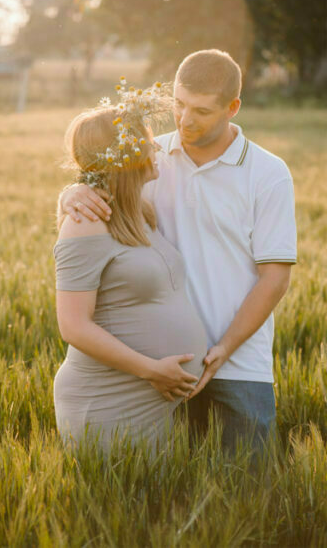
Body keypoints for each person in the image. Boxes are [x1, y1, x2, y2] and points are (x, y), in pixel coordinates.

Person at [59, 50, 296, 455]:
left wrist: (223, 349)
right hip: (160, 376)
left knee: (246, 491)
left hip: (238, 364)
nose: (185, 120)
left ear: (232, 108)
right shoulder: (146, 158)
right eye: (179, 105)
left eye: (202, 111)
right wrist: (73, 192)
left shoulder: (267, 173)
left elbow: (274, 277)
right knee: (171, 499)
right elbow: (100, 205)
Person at [53, 90, 206, 452]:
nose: (156, 150)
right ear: (127, 155)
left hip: (155, 393)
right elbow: (73, 326)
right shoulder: (85, 223)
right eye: (148, 144)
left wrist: (69, 191)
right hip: (112, 397)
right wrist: (151, 370)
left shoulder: (140, 211)